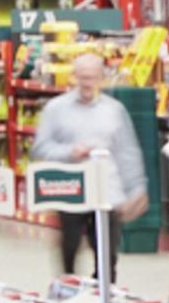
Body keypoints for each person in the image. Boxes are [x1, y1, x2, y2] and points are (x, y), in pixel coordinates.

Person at [33, 50, 147, 281]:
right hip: (70, 192)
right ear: (74, 77)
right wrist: (69, 152)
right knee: (69, 254)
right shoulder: (55, 109)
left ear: (101, 78)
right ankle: (69, 300)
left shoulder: (114, 110)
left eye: (92, 77)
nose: (87, 83)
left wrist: (136, 188)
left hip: (107, 193)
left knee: (107, 258)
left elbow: (127, 151)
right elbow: (40, 148)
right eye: (83, 77)